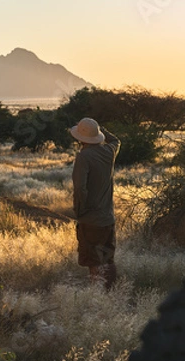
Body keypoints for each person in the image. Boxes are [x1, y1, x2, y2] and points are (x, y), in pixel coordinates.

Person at [70, 118, 120, 289]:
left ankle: (97, 296)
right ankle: (111, 292)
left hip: (91, 219)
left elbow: (80, 188)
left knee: (93, 261)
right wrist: (100, 128)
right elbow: (116, 140)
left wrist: (80, 210)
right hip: (108, 218)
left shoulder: (83, 157)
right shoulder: (109, 151)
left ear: (80, 138)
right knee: (108, 259)